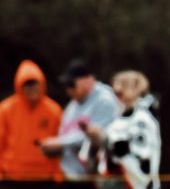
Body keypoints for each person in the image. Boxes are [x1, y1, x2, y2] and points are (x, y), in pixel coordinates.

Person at [41, 59, 120, 187]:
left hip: (92, 180)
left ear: (87, 80)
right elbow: (65, 136)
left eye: (71, 84)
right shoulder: (72, 105)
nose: (68, 90)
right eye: (66, 85)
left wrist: (61, 143)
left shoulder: (105, 101)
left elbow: (98, 138)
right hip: (69, 178)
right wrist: (55, 148)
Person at [81, 70, 161, 189]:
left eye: (121, 89)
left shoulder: (143, 120)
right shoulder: (117, 118)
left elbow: (141, 158)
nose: (116, 93)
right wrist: (96, 138)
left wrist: (106, 141)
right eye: (115, 90)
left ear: (135, 89)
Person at [0, 59, 63, 187]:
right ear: (19, 86)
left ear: (42, 84)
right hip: (13, 176)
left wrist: (58, 174)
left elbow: (62, 142)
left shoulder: (53, 110)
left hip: (45, 178)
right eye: (27, 84)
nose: (32, 88)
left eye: (35, 84)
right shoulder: (6, 109)